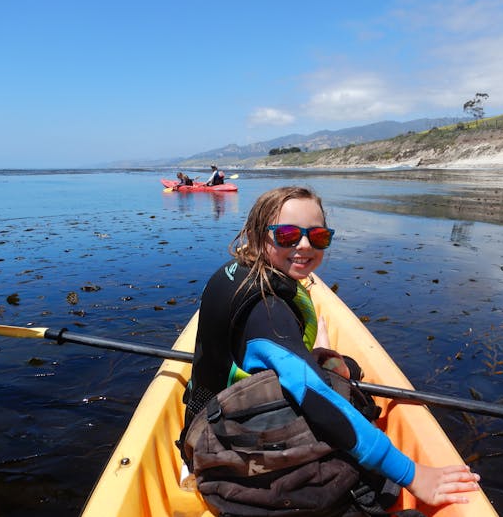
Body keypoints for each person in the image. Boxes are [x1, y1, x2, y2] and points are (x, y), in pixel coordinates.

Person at [180, 186, 480, 515]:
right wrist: (413, 474)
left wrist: (316, 353)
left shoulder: (234, 274)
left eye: (318, 236)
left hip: (202, 419)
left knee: (340, 367)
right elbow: (314, 395)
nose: (304, 246)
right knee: (347, 408)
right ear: (255, 235)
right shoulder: (269, 312)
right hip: (220, 448)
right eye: (288, 235)